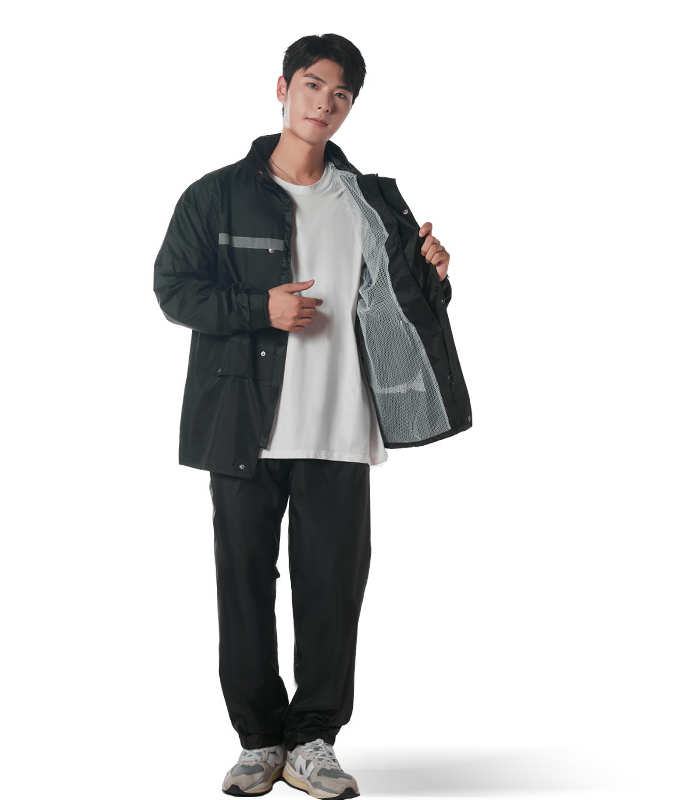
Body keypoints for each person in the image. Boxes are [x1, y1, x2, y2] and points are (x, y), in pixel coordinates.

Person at [153, 33, 471, 799]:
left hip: (341, 424)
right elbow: (174, 288)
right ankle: (259, 741)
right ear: (282, 88)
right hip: (244, 427)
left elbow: (404, 307)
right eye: (312, 85)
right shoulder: (216, 195)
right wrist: (258, 308)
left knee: (333, 592)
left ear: (350, 107)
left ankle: (314, 740)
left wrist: (435, 276)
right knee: (243, 588)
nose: (324, 103)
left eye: (341, 95)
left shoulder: (371, 200)